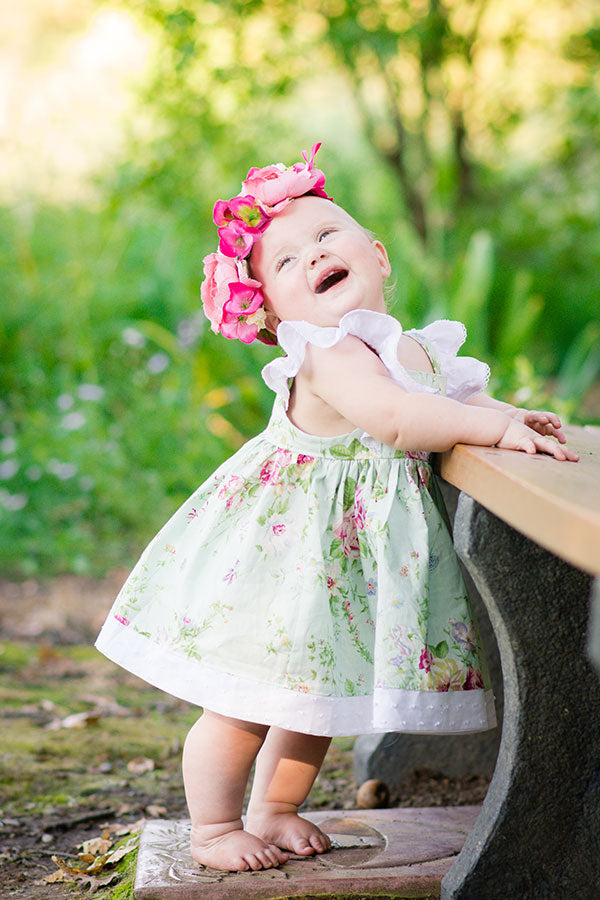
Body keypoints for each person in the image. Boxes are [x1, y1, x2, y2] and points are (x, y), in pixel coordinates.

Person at [95, 143, 578, 874]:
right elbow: (398, 420)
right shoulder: (328, 354)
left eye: (325, 236)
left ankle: (275, 809)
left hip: (338, 566)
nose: (311, 256)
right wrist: (488, 428)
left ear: (377, 255)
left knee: (316, 701)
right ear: (272, 316)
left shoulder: (413, 346)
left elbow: (457, 399)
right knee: (246, 704)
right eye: (283, 263)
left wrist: (511, 415)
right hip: (281, 558)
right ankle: (215, 828)